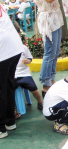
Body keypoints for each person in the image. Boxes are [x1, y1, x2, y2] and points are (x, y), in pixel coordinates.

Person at [0, 7, 23, 139]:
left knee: (1, 89)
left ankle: (1, 128)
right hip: (14, 47)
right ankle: (10, 121)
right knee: (8, 84)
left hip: (3, 50)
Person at [13, 24, 43, 110]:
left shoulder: (24, 48)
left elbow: (30, 58)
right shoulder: (8, 49)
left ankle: (40, 102)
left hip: (24, 74)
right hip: (13, 74)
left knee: (34, 89)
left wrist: (28, 61)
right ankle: (13, 108)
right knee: (9, 91)